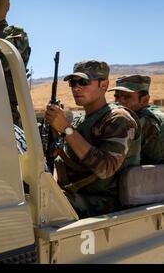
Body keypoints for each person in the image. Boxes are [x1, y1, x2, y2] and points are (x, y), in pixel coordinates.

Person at [45, 60, 141, 217]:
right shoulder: (79, 122)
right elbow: (61, 161)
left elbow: (105, 169)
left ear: (104, 85)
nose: (76, 87)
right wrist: (53, 186)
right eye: (73, 82)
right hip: (76, 194)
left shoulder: (119, 118)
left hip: (106, 204)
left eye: (84, 82)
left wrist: (66, 129)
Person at [110, 75, 164, 165]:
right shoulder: (155, 112)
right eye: (117, 96)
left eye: (127, 97)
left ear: (145, 100)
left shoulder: (141, 121)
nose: (119, 102)